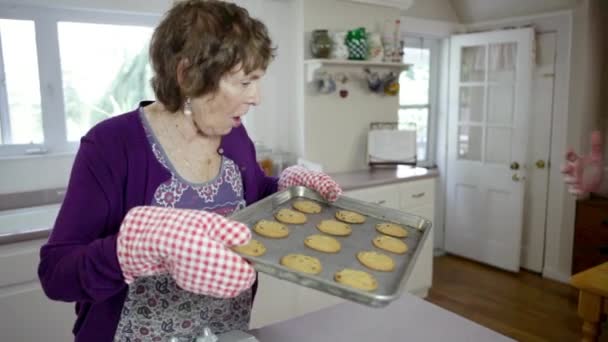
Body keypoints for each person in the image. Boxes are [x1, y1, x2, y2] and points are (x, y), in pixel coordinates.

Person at [37, 1, 342, 341]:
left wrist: (286, 189)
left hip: (224, 332)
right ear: (186, 75)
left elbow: (253, 199)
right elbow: (56, 273)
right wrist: (135, 246)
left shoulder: (234, 134)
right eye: (244, 82)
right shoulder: (111, 145)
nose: (257, 97)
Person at [561, 131, 606, 198]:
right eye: (593, 144)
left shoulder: (601, 159)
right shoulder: (589, 156)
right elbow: (588, 159)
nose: (595, 147)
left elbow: (595, 162)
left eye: (598, 145)